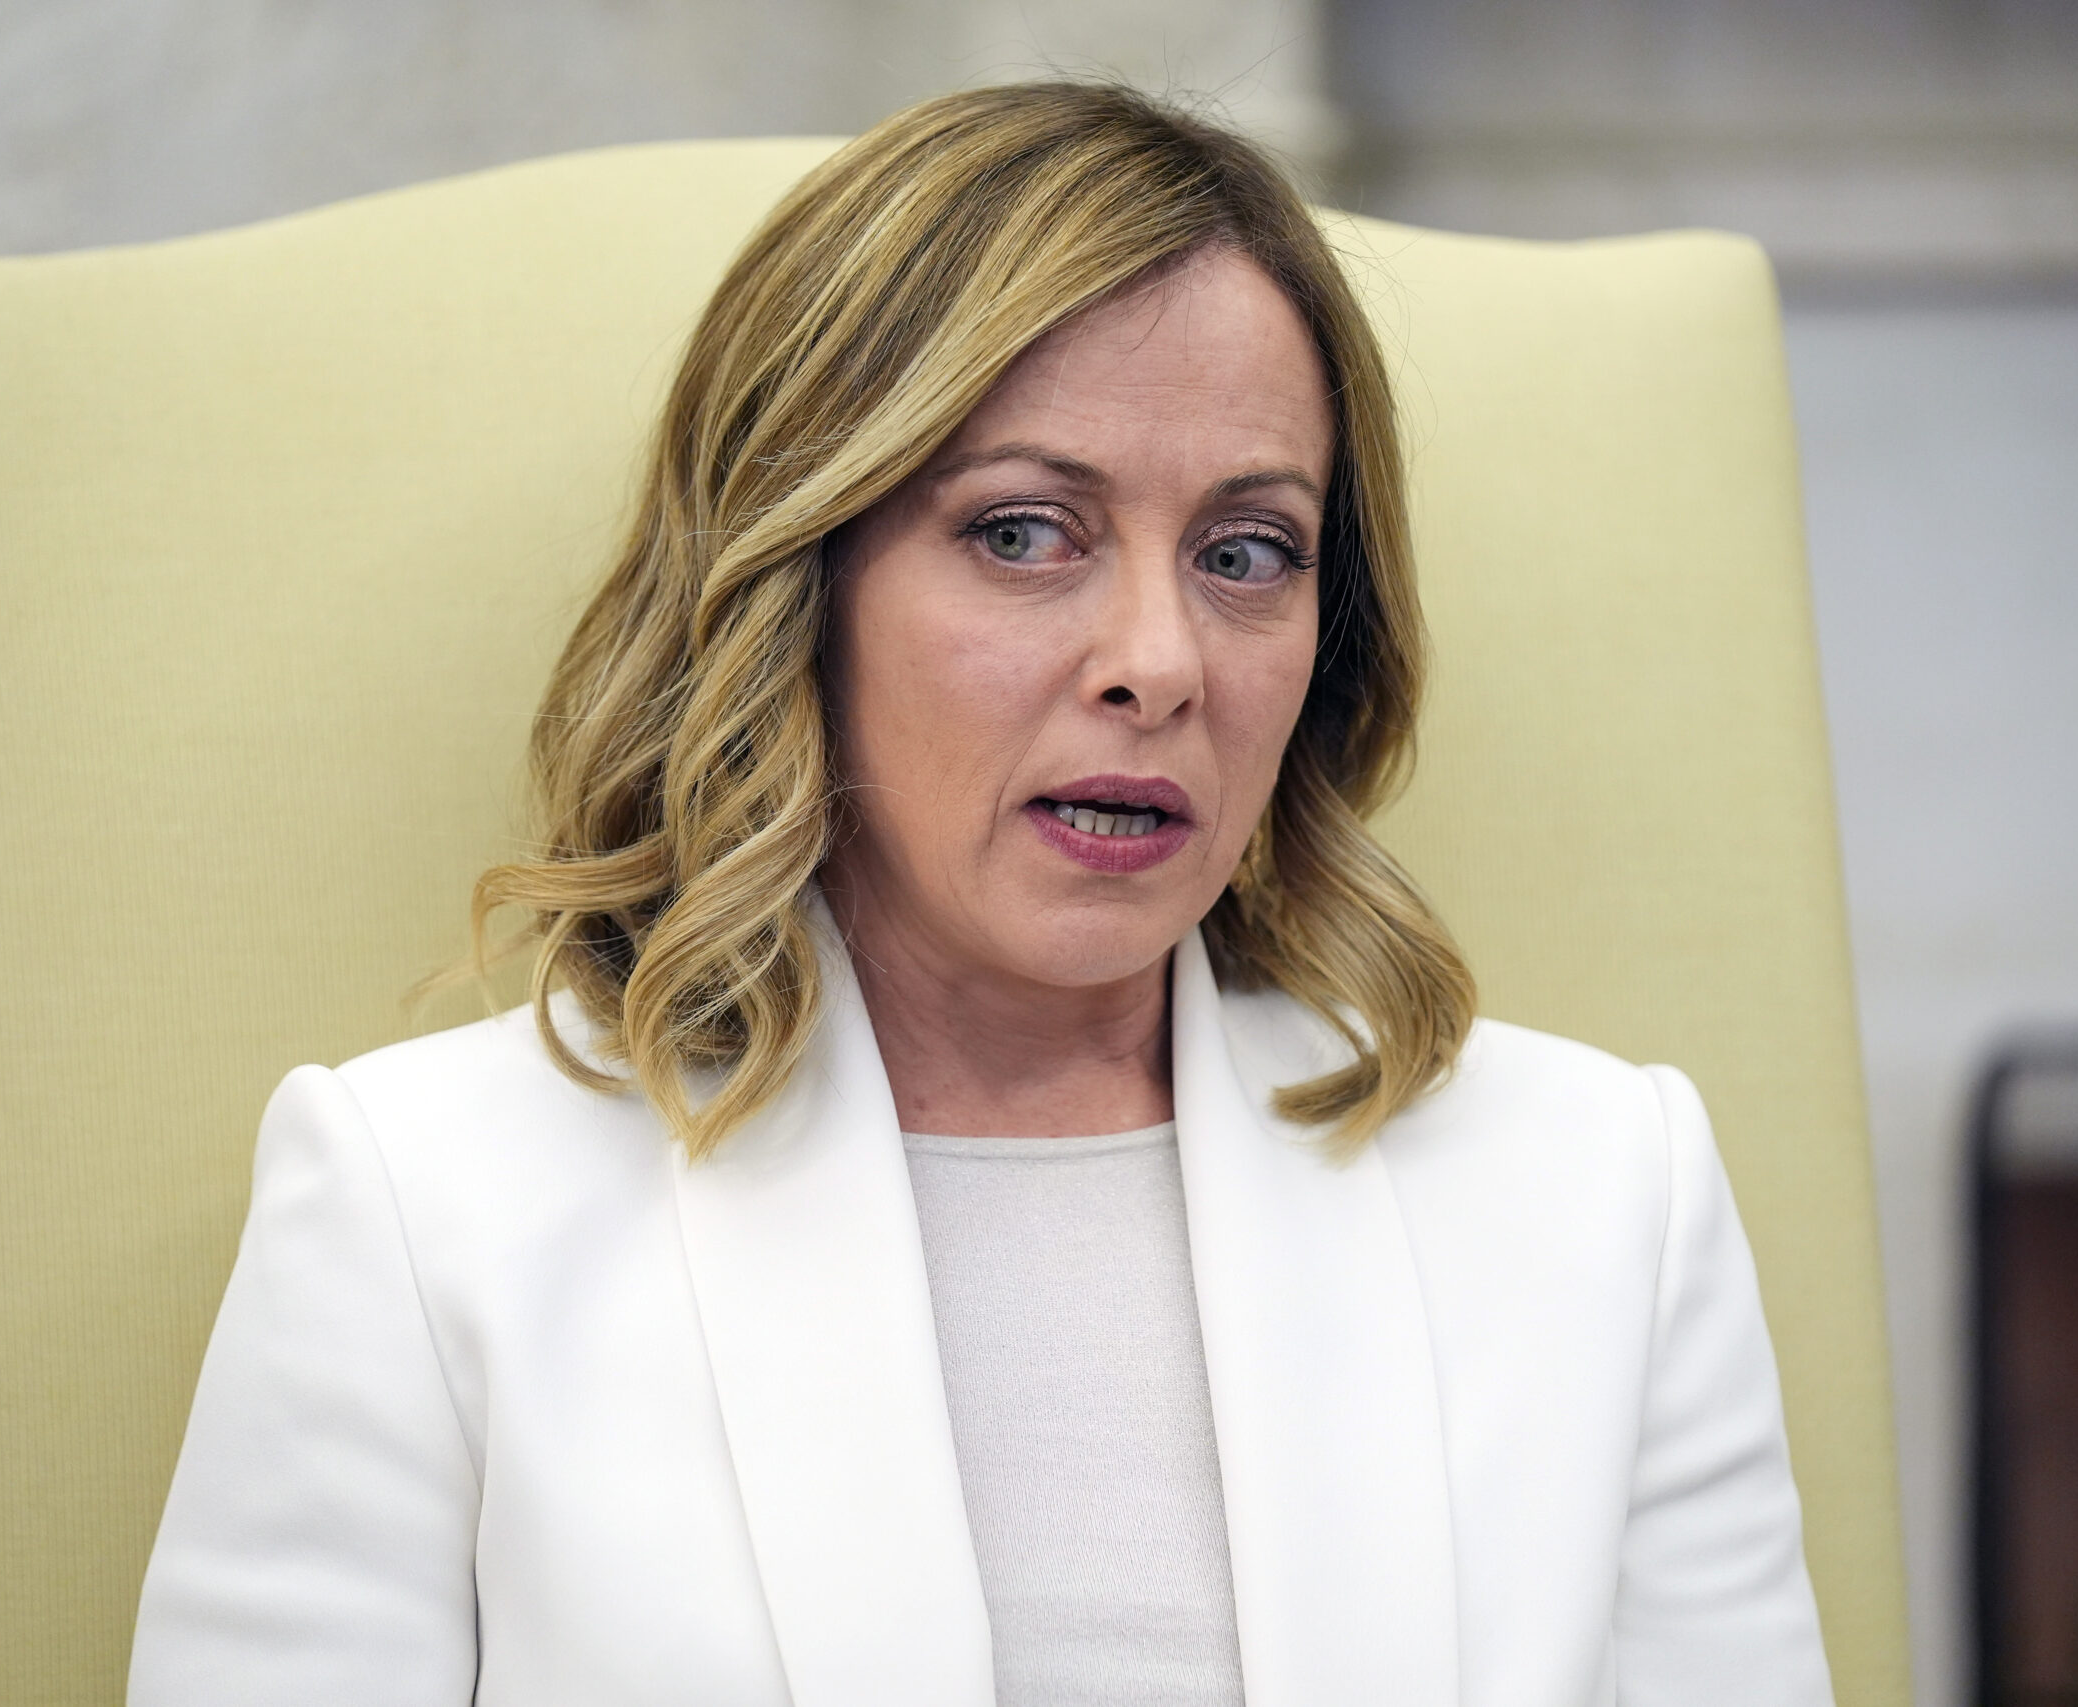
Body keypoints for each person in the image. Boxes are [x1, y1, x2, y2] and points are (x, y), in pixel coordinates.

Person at [129, 81, 1833, 1707]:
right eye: (1024, 533)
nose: (1160, 662)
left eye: (1247, 553)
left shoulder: (1604, 1198)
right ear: (800, 587)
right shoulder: (423, 1207)